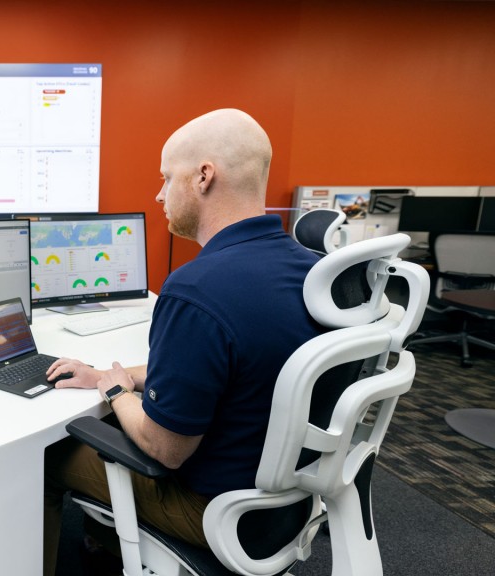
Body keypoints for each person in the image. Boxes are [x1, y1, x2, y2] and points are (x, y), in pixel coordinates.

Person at [42, 108, 325, 575]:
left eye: (165, 177)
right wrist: (115, 376)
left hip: (215, 511)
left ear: (203, 176)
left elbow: (163, 447)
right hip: (290, 501)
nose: (159, 193)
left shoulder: (197, 289)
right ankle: (108, 543)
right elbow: (225, 370)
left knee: (53, 456)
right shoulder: (307, 269)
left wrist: (113, 393)